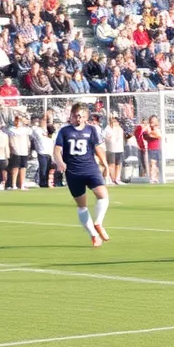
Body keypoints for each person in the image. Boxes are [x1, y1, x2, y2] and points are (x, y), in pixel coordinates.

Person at [54, 103, 111, 247]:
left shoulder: (91, 130)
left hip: (91, 168)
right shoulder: (64, 131)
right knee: (82, 205)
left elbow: (98, 148)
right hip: (73, 172)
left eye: (81, 115)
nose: (78, 118)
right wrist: (60, 162)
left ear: (86, 117)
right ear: (71, 116)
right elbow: (56, 151)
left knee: (103, 196)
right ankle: (93, 235)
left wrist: (105, 164)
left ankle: (98, 222)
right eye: (75, 115)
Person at [6, 113, 33, 191]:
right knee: (15, 168)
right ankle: (14, 184)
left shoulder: (26, 130)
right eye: (17, 121)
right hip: (16, 151)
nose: (18, 123)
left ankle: (22, 185)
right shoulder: (12, 130)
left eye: (20, 121)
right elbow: (10, 140)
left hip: (24, 151)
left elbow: (28, 138)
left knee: (23, 168)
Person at [103, 114, 125, 184]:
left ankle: (116, 179)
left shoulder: (120, 129)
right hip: (111, 149)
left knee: (118, 164)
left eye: (116, 121)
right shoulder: (108, 128)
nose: (115, 122)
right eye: (113, 121)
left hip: (119, 149)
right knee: (111, 164)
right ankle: (109, 178)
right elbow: (105, 136)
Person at [145, 115, 162, 184]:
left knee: (157, 164)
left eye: (154, 120)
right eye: (152, 120)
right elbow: (148, 135)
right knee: (152, 163)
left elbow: (159, 136)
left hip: (158, 148)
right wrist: (152, 134)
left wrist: (153, 134)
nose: (153, 122)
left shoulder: (157, 129)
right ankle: (152, 178)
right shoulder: (148, 129)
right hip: (151, 148)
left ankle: (156, 177)